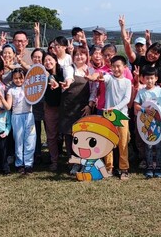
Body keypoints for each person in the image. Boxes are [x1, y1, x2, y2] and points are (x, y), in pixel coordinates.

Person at [89, 55, 132, 180]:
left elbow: (127, 99)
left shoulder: (127, 82)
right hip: (108, 116)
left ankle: (124, 169)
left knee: (123, 142)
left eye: (118, 66)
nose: (116, 69)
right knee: (108, 142)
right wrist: (94, 77)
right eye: (113, 66)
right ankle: (109, 168)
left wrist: (116, 108)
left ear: (124, 67)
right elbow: (101, 76)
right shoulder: (109, 78)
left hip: (122, 115)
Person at [59, 46, 96, 175]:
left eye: (82, 54)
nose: (79, 57)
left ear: (87, 56)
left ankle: (83, 162)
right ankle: (73, 163)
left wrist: (90, 105)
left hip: (83, 108)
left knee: (82, 136)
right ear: (73, 56)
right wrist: (68, 83)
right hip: (68, 107)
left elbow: (93, 90)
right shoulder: (69, 68)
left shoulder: (90, 70)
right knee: (69, 136)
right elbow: (69, 78)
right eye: (77, 54)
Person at [133, 66, 161, 178]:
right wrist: (145, 110)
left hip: (159, 124)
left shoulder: (160, 91)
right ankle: (149, 167)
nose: (149, 80)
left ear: (156, 78)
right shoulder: (141, 92)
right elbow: (136, 106)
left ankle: (159, 167)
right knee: (148, 145)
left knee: (159, 146)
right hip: (146, 124)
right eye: (147, 78)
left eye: (152, 78)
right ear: (143, 79)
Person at [5, 68, 36, 174]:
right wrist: (1, 97)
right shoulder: (11, 90)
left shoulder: (29, 88)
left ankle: (28, 164)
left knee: (30, 140)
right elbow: (9, 106)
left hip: (29, 116)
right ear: (12, 79)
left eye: (20, 78)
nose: (18, 80)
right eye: (15, 78)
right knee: (18, 141)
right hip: (17, 117)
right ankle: (19, 164)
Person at [43, 52, 64, 171]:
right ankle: (54, 161)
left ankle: (71, 160)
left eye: (50, 60)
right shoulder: (43, 76)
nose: (48, 62)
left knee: (67, 134)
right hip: (50, 108)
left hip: (63, 108)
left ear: (56, 61)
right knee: (51, 136)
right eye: (45, 61)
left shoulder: (64, 73)